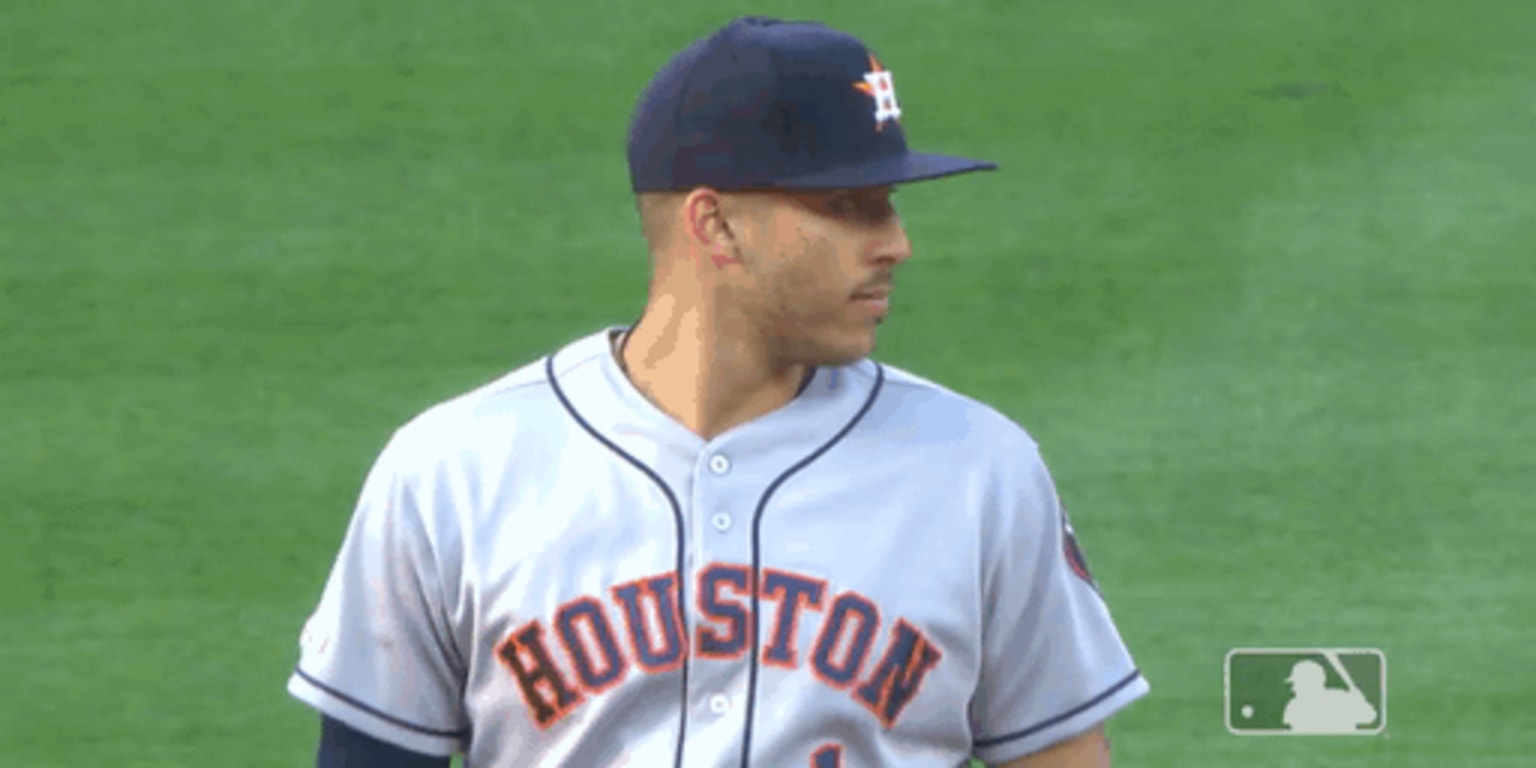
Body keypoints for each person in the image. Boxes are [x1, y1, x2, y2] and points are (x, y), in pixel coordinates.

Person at [287, 15, 1149, 768]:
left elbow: (1061, 755)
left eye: (887, 203)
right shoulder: (453, 472)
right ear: (714, 223)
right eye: (851, 205)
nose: (895, 244)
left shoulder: (980, 471)